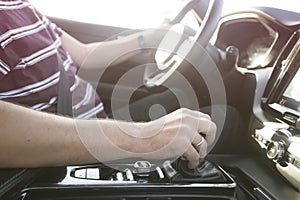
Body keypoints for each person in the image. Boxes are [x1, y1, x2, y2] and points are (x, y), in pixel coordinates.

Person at [0, 0, 216, 169]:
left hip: (98, 125)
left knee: (195, 106)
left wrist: (150, 38)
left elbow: (85, 54)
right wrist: (143, 138)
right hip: (74, 157)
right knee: (227, 120)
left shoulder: (19, 5)